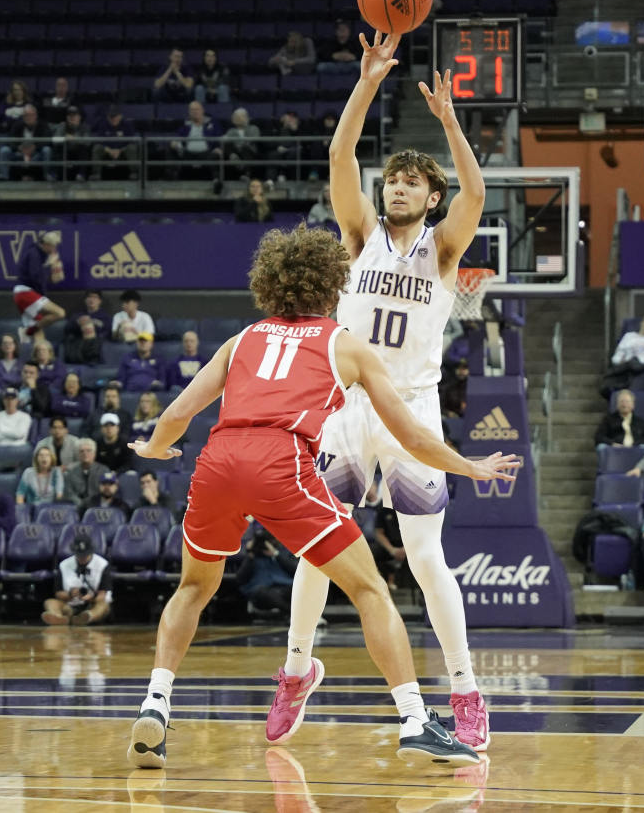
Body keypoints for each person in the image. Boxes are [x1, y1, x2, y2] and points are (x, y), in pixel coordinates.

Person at [124, 224, 514, 770]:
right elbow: (414, 438)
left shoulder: (243, 339)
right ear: (335, 285)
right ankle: (415, 721)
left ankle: (156, 704)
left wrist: (154, 449)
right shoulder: (345, 344)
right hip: (281, 463)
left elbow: (176, 415)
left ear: (270, 284)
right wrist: (469, 465)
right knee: (370, 590)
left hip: (218, 461)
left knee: (193, 587)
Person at [250, 41, 503, 751]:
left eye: (410, 182)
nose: (395, 187)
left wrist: (451, 125)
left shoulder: (444, 251)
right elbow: (339, 158)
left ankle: (464, 690)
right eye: (391, 178)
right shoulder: (358, 235)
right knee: (315, 552)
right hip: (348, 407)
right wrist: (364, 86)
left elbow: (476, 195)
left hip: (413, 407)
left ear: (430, 197)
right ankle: (297, 672)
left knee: (426, 559)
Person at [43, 534, 112, 626]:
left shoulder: (103, 565)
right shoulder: (64, 565)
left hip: (93, 605)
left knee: (103, 605)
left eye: (85, 555)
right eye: (79, 555)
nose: (82, 558)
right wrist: (71, 594)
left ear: (91, 552)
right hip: (70, 605)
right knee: (50, 602)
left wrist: (91, 598)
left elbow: (102, 594)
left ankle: (88, 617)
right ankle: (58, 617)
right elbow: (58, 593)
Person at [12, 231, 65, 343]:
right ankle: (27, 331)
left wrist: (55, 270)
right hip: (25, 293)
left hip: (24, 295)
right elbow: (36, 277)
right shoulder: (34, 254)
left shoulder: (41, 255)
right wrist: (49, 265)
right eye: (53, 246)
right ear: (46, 244)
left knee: (39, 338)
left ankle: (36, 359)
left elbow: (47, 279)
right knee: (60, 313)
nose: (54, 249)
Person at [238, 524, 298, 619]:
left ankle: (290, 613)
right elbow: (240, 579)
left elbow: (296, 571)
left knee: (299, 589)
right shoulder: (253, 555)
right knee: (262, 592)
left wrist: (276, 554)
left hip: (285, 587)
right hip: (263, 592)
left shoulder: (284, 551)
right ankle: (295, 615)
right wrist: (250, 555)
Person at [602, 314, 644, 397]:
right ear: (641, 323)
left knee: (633, 365)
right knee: (604, 388)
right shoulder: (629, 336)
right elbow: (617, 356)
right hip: (627, 366)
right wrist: (619, 361)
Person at [0, 103, 52, 182]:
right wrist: (19, 148)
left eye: (31, 115)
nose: (28, 117)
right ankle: (4, 177)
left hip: (36, 153)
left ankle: (47, 175)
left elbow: (47, 139)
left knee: (47, 150)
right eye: (26, 115)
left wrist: (35, 147)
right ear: (23, 117)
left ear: (36, 115)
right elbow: (11, 140)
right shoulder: (17, 125)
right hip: (19, 153)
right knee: (4, 150)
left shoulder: (43, 125)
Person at [64, 438, 109, 509]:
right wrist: (81, 504)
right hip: (76, 507)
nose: (85, 453)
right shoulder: (71, 472)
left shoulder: (104, 471)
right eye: (81, 451)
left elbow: (107, 491)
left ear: (94, 454)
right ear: (78, 454)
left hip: (98, 506)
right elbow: (69, 493)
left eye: (89, 451)